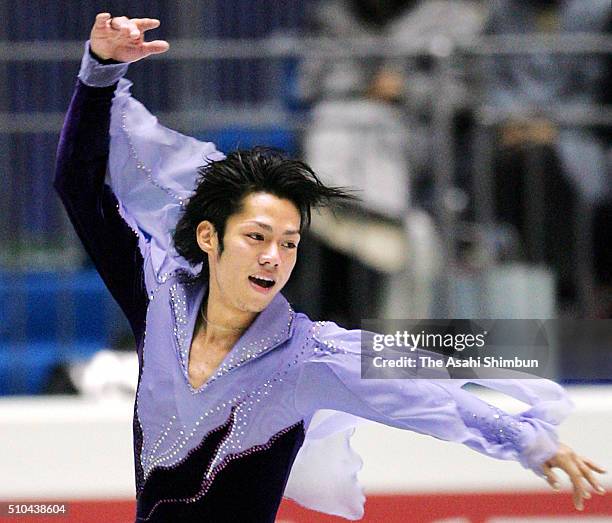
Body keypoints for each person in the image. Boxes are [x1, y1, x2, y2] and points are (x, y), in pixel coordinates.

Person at [54, 13, 606, 522]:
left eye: (290, 243)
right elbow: (78, 188)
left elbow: (430, 393)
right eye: (256, 237)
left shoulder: (310, 356)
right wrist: (98, 71)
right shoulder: (158, 300)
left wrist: (531, 442)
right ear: (209, 238)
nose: (274, 257)